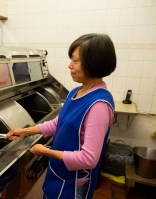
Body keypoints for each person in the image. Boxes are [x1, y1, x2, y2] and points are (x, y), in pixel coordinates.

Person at [7, 33, 116, 199]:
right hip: (59, 173)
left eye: (75, 60)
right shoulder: (76, 91)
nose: (69, 65)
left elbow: (89, 159)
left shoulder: (99, 105)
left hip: (74, 183)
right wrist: (25, 131)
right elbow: (60, 123)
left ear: (94, 63)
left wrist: (46, 152)